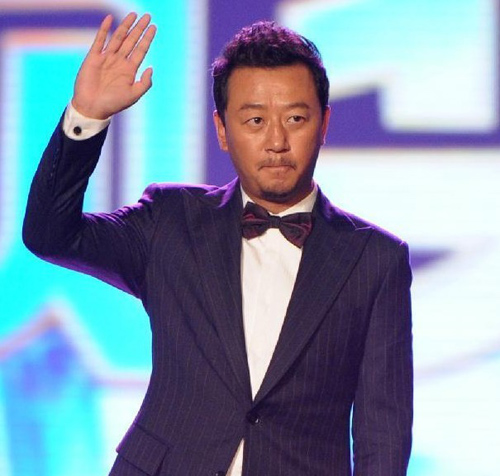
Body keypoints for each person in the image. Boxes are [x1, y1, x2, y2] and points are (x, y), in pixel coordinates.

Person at [23, 11, 413, 476]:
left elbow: (383, 431)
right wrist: (87, 117)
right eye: (254, 119)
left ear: (324, 123)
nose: (276, 141)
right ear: (222, 130)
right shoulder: (169, 220)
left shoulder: (375, 259)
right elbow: (51, 234)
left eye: (295, 118)